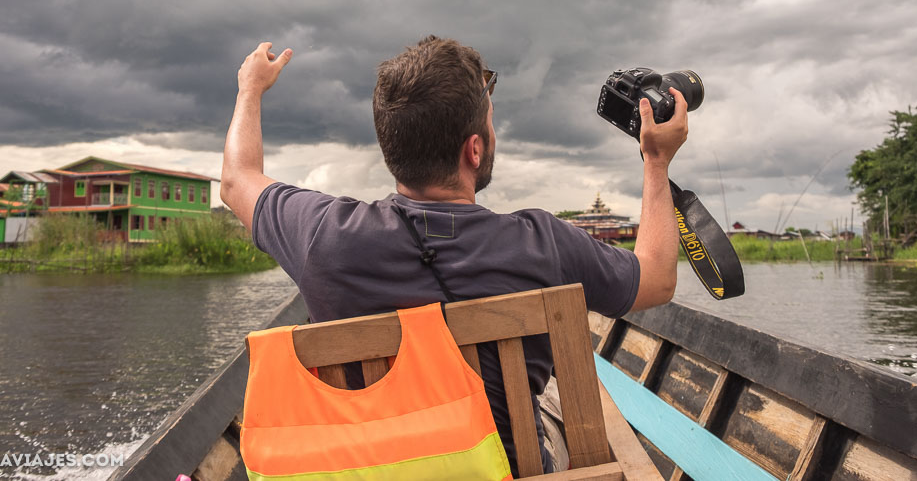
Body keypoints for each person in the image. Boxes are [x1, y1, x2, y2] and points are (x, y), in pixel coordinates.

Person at [221, 36, 688, 476]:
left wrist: (251, 88)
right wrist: (656, 161)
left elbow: (236, 179)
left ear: (392, 146)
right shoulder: (545, 243)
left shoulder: (323, 235)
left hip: (380, 473)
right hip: (506, 472)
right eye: (490, 122)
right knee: (556, 399)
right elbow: (657, 278)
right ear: (475, 149)